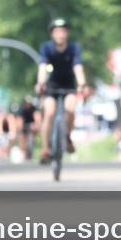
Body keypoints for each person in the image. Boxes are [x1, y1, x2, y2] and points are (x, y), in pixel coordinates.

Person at [35, 18, 89, 163]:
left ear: (67, 33)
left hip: (69, 86)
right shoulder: (46, 48)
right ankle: (45, 149)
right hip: (51, 86)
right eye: (57, 31)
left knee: (70, 109)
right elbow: (42, 66)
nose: (60, 34)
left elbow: (77, 66)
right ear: (52, 34)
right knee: (50, 112)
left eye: (63, 31)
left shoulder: (73, 48)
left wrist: (82, 83)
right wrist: (40, 82)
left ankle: (67, 136)